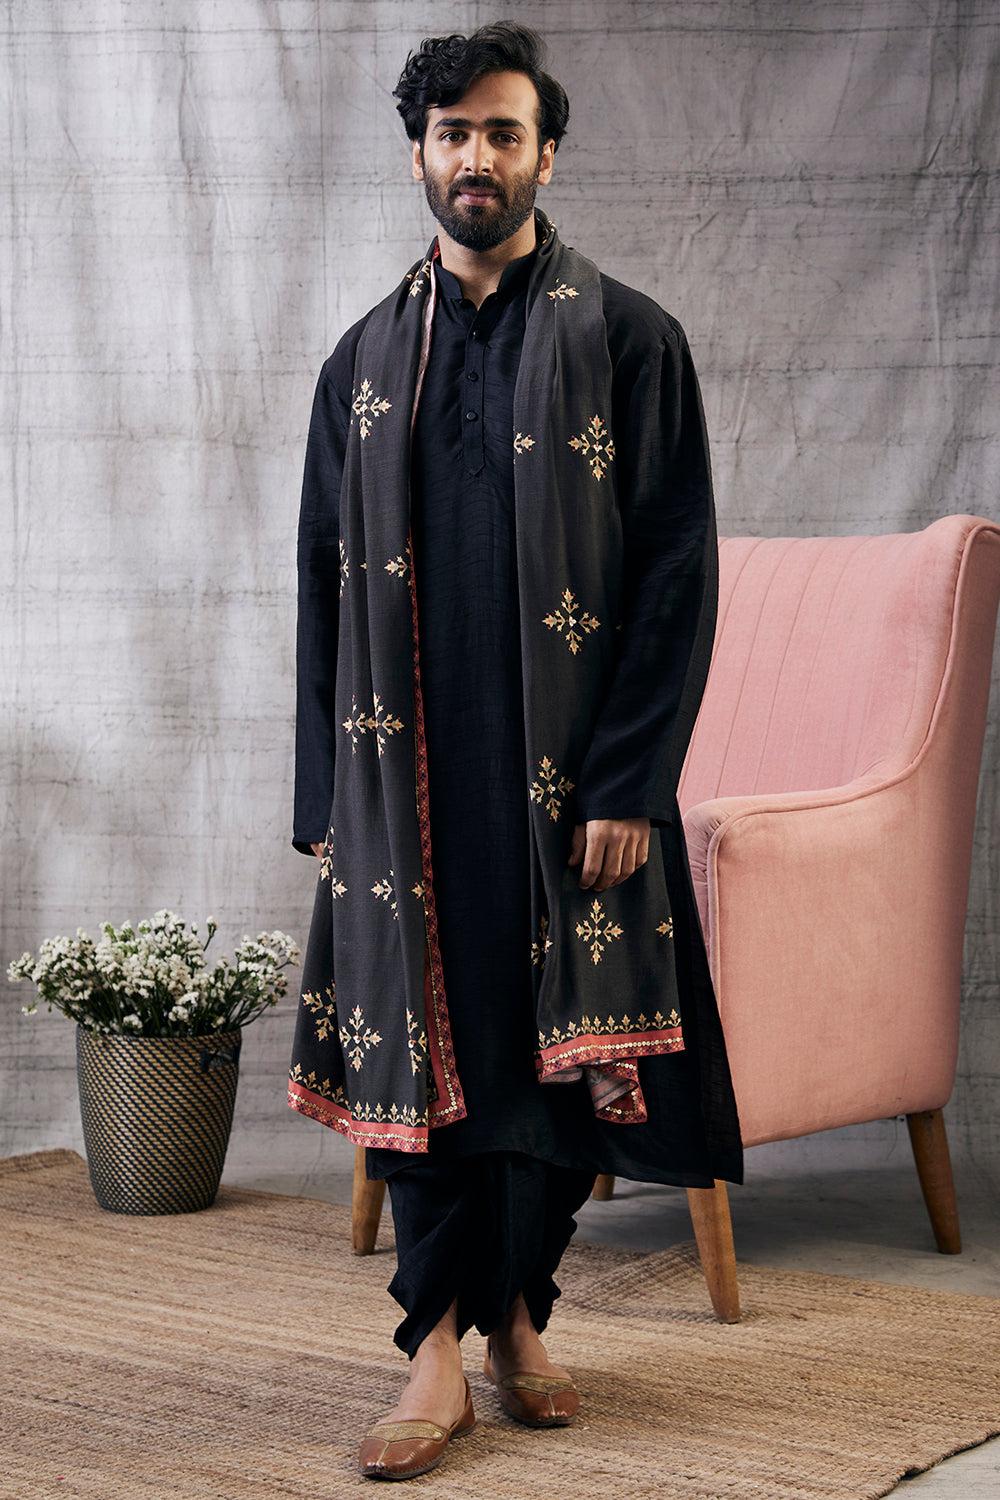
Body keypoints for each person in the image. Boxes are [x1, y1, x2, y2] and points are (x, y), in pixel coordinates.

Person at [288, 21, 742, 1481]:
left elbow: (675, 576)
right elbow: (321, 580)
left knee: (553, 1069)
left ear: (549, 152)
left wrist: (629, 782)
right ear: (417, 155)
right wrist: (325, 794)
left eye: (502, 131)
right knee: (427, 1057)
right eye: (451, 133)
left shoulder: (630, 340)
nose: (474, 156)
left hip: (571, 785)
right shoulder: (364, 365)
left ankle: (521, 1319)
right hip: (408, 782)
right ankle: (434, 1348)